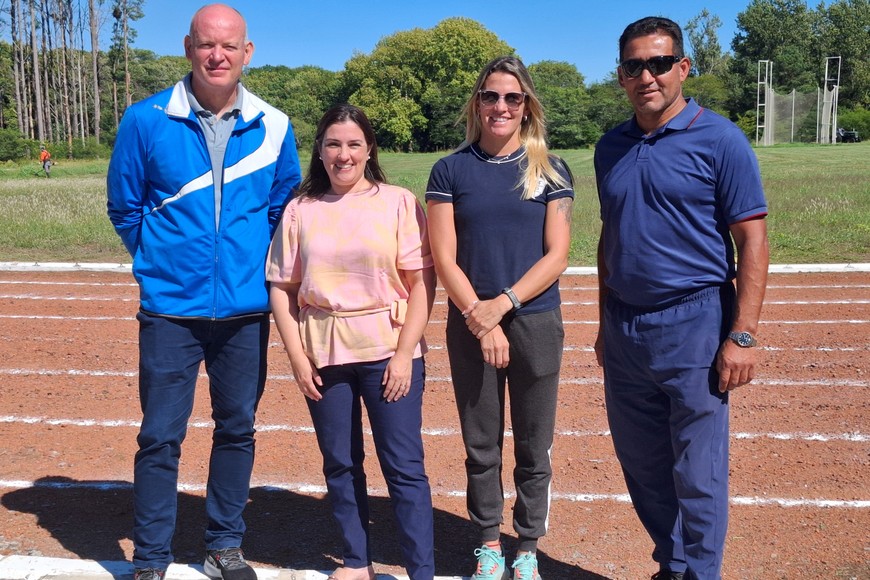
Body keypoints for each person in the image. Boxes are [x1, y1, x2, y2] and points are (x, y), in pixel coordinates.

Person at [106, 5, 301, 580]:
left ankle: (222, 546)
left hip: (244, 313)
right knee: (160, 437)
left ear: (247, 52)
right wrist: (160, 263)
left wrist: (245, 270)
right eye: (207, 44)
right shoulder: (145, 120)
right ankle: (151, 559)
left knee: (237, 429)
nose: (218, 55)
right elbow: (125, 206)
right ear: (189, 47)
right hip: (169, 310)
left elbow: (281, 210)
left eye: (229, 46)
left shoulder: (274, 124)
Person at [593, 16, 769, 580]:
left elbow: (752, 239)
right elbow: (609, 236)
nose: (647, 75)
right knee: (642, 465)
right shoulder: (610, 147)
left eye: (660, 63)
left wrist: (740, 335)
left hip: (693, 321)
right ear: (621, 75)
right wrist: (603, 321)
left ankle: (700, 573)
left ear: (683, 68)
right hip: (624, 326)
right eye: (634, 65)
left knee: (698, 471)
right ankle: (674, 565)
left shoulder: (720, 139)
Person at [267, 104, 436, 580]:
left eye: (354, 144)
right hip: (324, 352)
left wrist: (405, 355)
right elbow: (282, 287)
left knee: (403, 466)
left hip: (387, 352)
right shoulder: (300, 209)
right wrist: (298, 358)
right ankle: (356, 560)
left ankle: (420, 569)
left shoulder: (399, 201)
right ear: (319, 152)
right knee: (340, 462)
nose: (344, 154)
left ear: (369, 149)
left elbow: (422, 284)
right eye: (333, 144)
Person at [425, 56, 574, 580]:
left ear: (527, 104)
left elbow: (557, 255)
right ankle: (489, 542)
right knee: (481, 441)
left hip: (534, 320)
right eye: (491, 96)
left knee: (535, 443)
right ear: (477, 103)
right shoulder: (449, 170)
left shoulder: (550, 169)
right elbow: (444, 256)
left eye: (512, 97)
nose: (501, 106)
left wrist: (503, 306)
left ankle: (527, 545)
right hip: (470, 323)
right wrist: (481, 320)